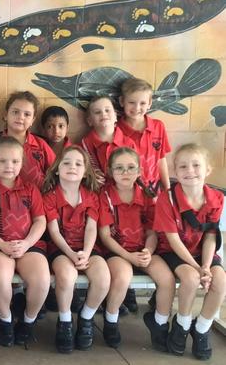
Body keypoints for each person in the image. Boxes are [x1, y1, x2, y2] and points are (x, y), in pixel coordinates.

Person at [0, 136, 49, 347]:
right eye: (2, 161)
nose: (9, 166)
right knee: (0, 278)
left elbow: (40, 221)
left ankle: (27, 321)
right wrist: (2, 245)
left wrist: (26, 243)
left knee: (41, 280)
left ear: (22, 163)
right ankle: (5, 320)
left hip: (28, 244)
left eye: (15, 162)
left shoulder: (31, 189)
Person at [98, 147, 175, 349]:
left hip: (143, 250)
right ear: (110, 171)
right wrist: (129, 257)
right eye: (119, 168)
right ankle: (111, 320)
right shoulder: (104, 196)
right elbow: (105, 236)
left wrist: (148, 252)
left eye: (131, 167)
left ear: (140, 171)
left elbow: (152, 233)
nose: (125, 173)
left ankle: (159, 323)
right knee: (122, 277)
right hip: (117, 252)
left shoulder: (148, 196)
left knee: (166, 279)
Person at [153, 143, 225, 360]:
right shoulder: (167, 198)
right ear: (175, 171)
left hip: (201, 252)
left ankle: (201, 328)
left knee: (220, 282)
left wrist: (206, 266)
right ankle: (182, 324)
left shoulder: (216, 198)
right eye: (183, 167)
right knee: (191, 279)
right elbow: (173, 240)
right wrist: (197, 268)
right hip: (173, 252)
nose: (190, 171)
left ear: (208, 170)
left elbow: (211, 235)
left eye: (196, 165)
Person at [42, 145, 110, 353]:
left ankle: (86, 317)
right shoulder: (50, 196)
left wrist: (86, 253)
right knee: (66, 277)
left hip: (87, 247)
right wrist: (71, 254)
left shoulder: (91, 196)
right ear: (56, 168)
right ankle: (64, 322)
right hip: (61, 248)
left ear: (85, 171)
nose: (72, 167)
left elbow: (91, 228)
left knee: (103, 279)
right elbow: (53, 231)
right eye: (67, 162)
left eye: (78, 164)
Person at [0, 91, 55, 189]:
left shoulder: (41, 145)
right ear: (5, 115)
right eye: (15, 112)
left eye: (27, 114)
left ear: (32, 120)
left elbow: (56, 171)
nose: (21, 117)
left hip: (39, 200)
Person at [118, 78, 170, 195]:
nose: (137, 108)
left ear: (150, 103)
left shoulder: (158, 126)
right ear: (122, 101)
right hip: (128, 192)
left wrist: (167, 190)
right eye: (131, 102)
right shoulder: (116, 130)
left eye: (142, 103)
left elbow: (161, 160)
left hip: (155, 192)